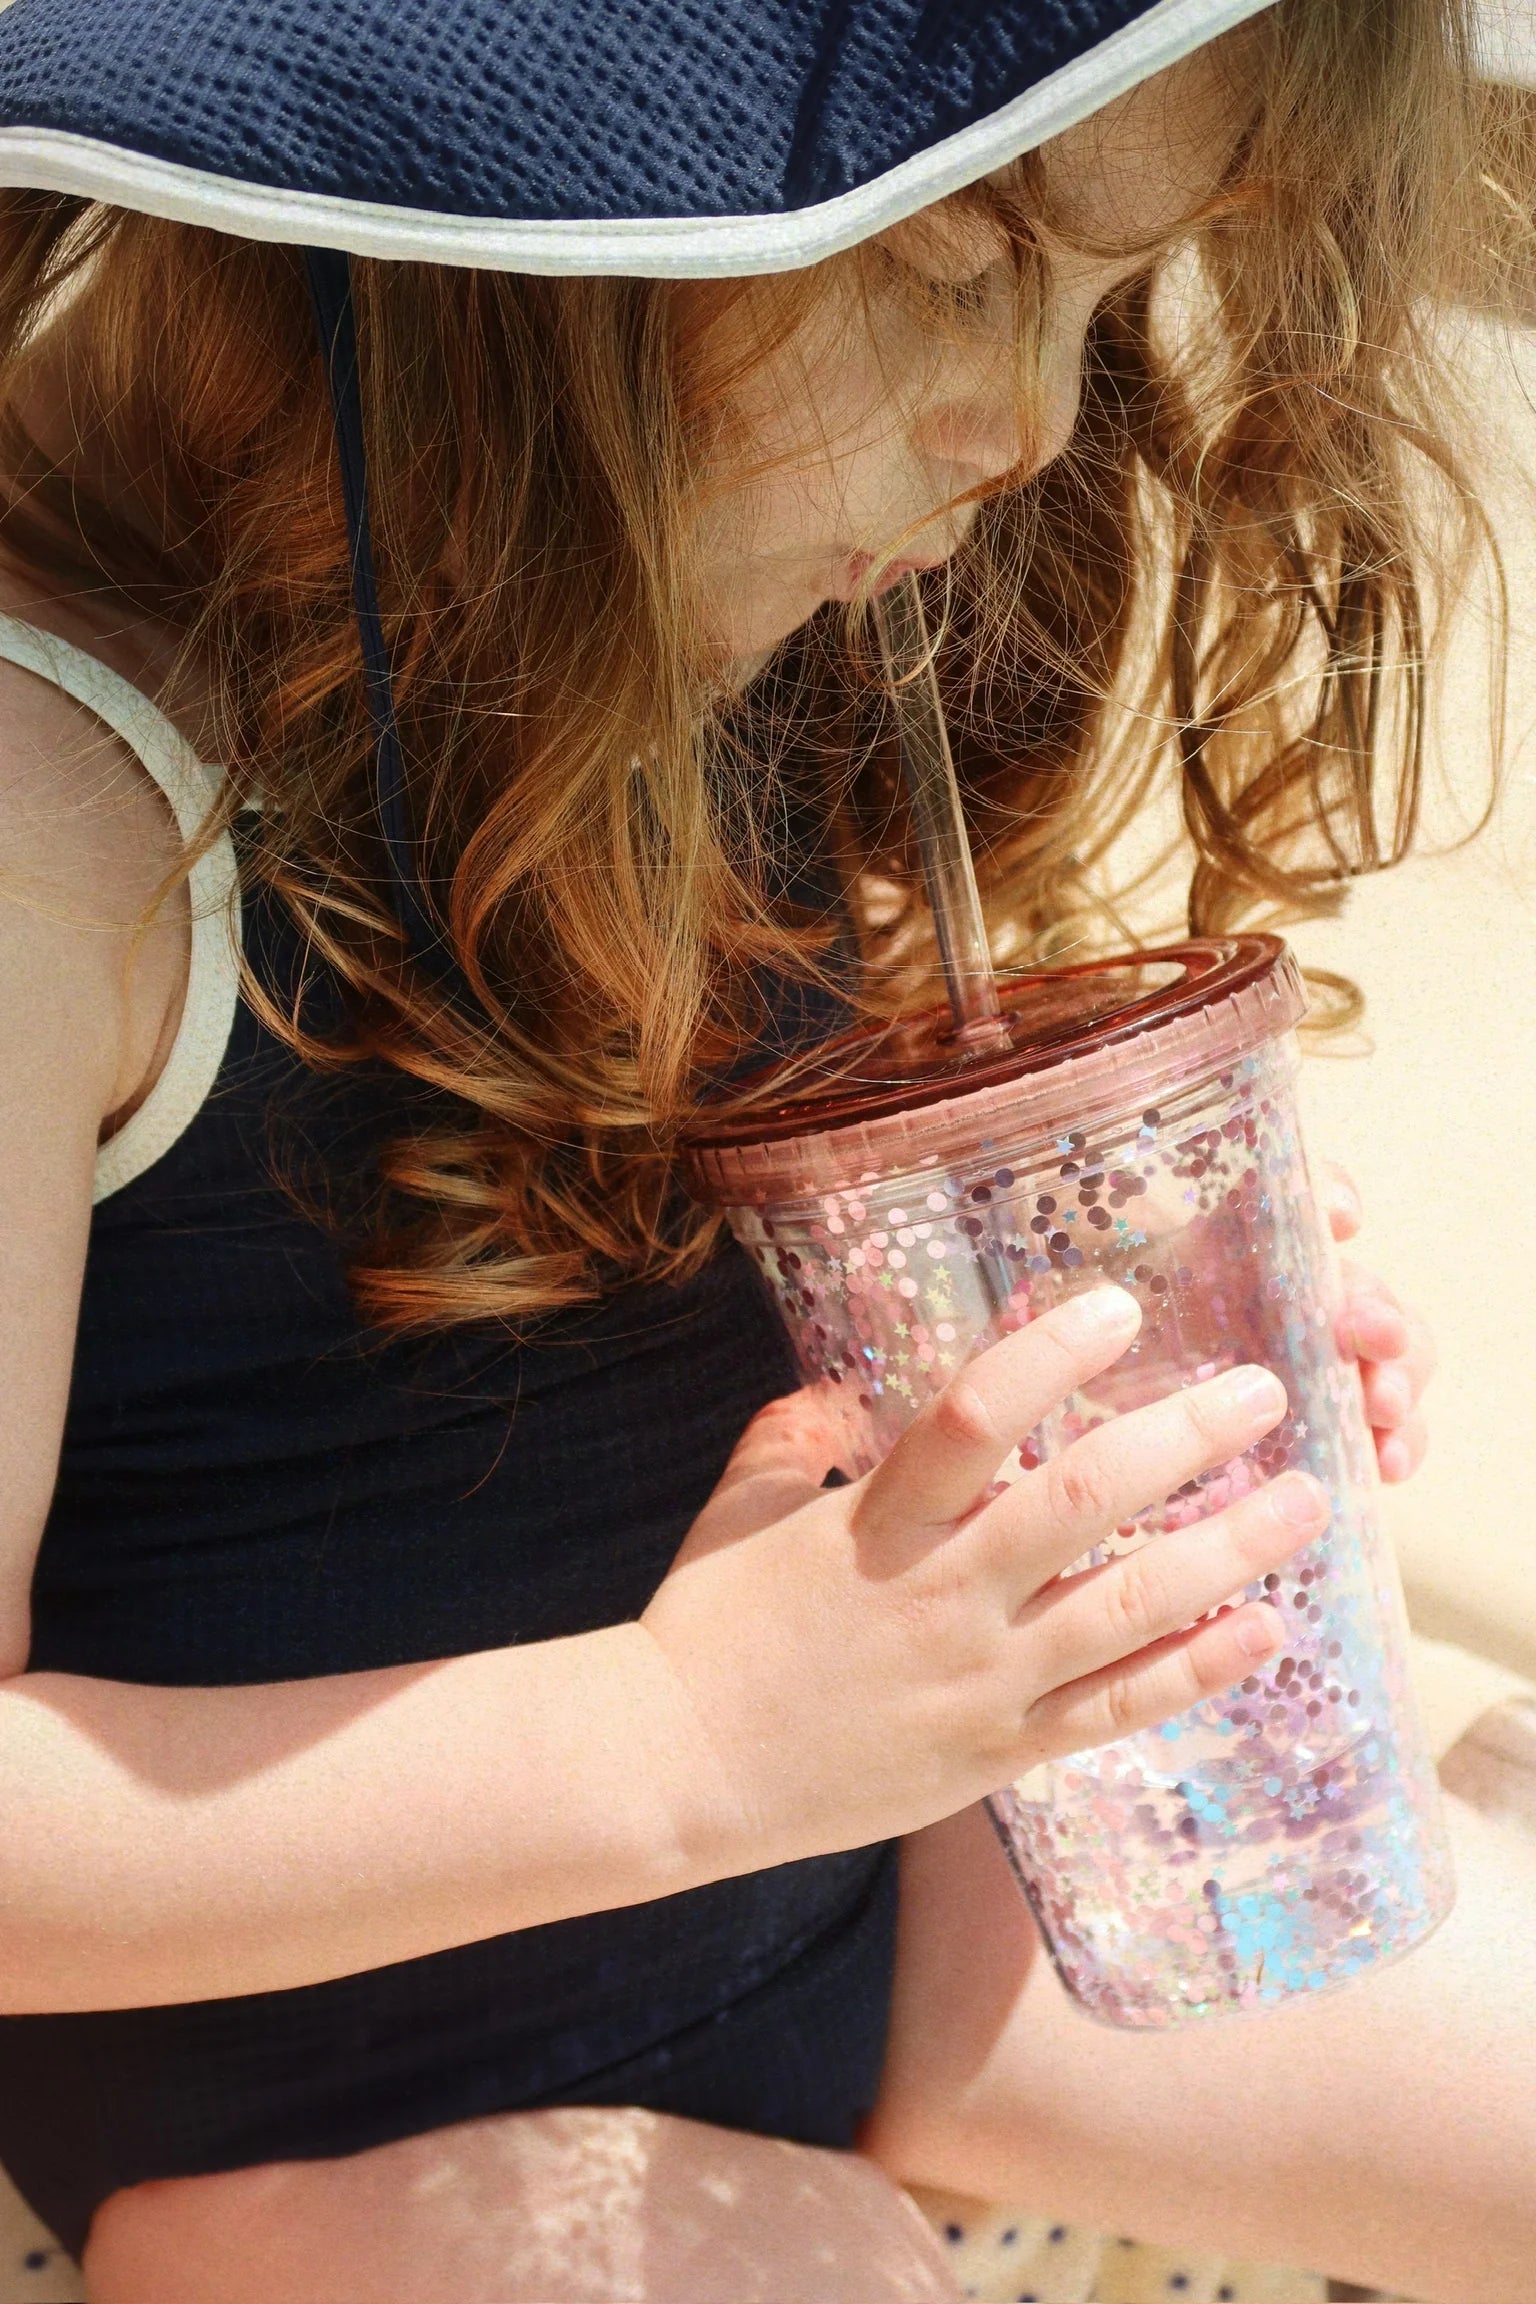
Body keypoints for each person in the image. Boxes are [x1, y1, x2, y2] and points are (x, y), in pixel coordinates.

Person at [0, 0, 1522, 2298]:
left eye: (1111, 306)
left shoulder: (714, 605)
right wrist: (689, 1740)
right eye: (958, 263)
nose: (1029, 424)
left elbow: (701, 1263)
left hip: (872, 1873)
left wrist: (1078, 1328)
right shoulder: (55, 826)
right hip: (335, 2095)